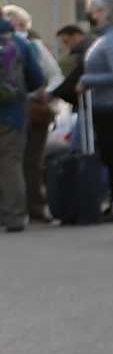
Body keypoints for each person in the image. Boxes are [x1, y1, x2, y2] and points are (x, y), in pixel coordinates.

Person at [4, 5, 62, 224]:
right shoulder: (25, 45)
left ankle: (24, 208)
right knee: (21, 162)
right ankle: (23, 212)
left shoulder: (30, 45)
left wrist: (44, 93)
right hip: (19, 109)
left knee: (23, 162)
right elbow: (44, 77)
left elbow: (53, 76)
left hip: (26, 111)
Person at [72, 2, 113, 204]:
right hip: (102, 105)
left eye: (94, 10)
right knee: (111, 155)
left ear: (105, 13)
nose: (90, 14)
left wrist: (86, 80)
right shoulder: (103, 39)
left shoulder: (112, 40)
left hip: (112, 106)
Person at [0, 14, 44, 231]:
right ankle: (15, 217)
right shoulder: (19, 42)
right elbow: (37, 79)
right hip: (13, 113)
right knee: (11, 164)